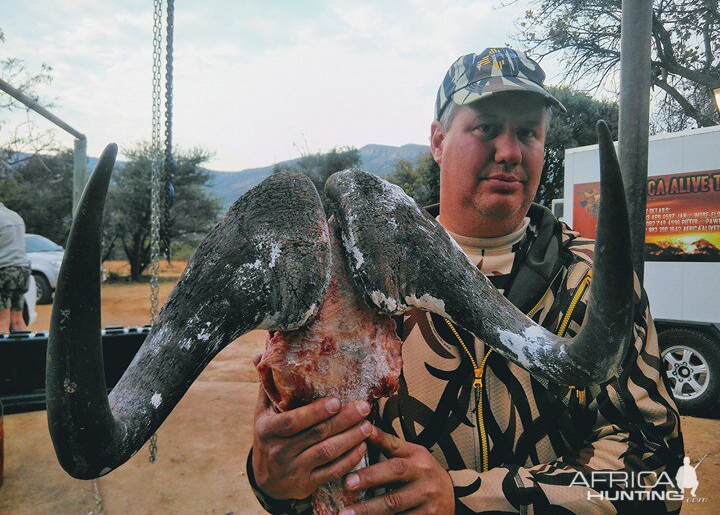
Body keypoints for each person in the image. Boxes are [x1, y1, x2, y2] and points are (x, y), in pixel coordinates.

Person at [247, 47, 684, 513]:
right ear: (438, 141)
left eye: (529, 133)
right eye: (486, 128)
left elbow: (658, 474)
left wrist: (468, 501)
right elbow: (299, 473)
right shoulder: (346, 284)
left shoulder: (592, 282)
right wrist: (271, 480)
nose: (510, 151)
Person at [0, 202, 30, 334]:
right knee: (18, 319)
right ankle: (24, 353)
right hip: (22, 271)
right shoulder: (15, 216)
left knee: (2, 320)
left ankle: (4, 354)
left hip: (4, 271)